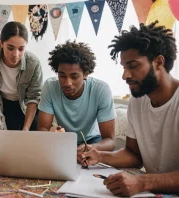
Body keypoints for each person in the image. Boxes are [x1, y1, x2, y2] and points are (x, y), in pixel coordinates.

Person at [81, 21, 179, 196]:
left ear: (158, 62)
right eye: (124, 67)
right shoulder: (138, 100)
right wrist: (100, 156)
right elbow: (134, 154)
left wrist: (142, 182)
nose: (125, 75)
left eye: (133, 66)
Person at [38, 40, 116, 161]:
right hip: (63, 141)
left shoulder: (101, 90)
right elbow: (43, 129)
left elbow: (110, 141)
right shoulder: (49, 86)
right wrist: (50, 135)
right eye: (62, 75)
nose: (67, 83)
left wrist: (89, 148)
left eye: (74, 76)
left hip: (92, 141)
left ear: (86, 74)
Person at [0, 21, 43, 131]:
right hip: (3, 104)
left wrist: (26, 128)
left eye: (21, 49)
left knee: (30, 141)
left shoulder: (33, 63)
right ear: (0, 43)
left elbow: (34, 98)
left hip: (27, 106)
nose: (16, 54)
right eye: (10, 48)